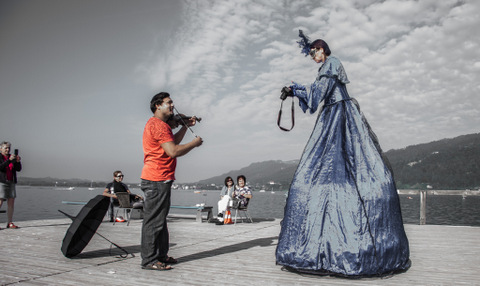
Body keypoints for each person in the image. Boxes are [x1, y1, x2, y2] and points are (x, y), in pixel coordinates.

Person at [275, 31, 410, 277]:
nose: (313, 56)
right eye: (311, 54)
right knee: (322, 176)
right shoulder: (324, 68)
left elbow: (317, 95)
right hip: (330, 115)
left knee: (351, 168)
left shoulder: (332, 63)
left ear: (321, 48)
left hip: (340, 116)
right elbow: (316, 96)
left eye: (314, 51)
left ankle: (349, 247)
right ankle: (325, 246)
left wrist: (296, 89)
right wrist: (294, 92)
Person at [140, 92, 203, 271]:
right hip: (156, 178)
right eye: (169, 102)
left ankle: (161, 255)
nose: (173, 105)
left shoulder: (160, 125)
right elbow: (173, 151)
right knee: (153, 221)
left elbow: (172, 142)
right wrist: (194, 143)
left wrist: (183, 127)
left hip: (159, 178)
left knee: (159, 220)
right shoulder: (159, 125)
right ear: (157, 106)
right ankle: (149, 260)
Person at [0, 141, 22, 229]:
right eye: (5, 148)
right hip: (1, 181)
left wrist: (17, 161)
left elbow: (18, 169)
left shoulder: (11, 157)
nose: (7, 150)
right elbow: (0, 167)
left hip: (11, 181)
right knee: (0, 200)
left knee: (11, 201)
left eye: (9, 148)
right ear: (1, 148)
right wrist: (8, 160)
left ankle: (9, 222)